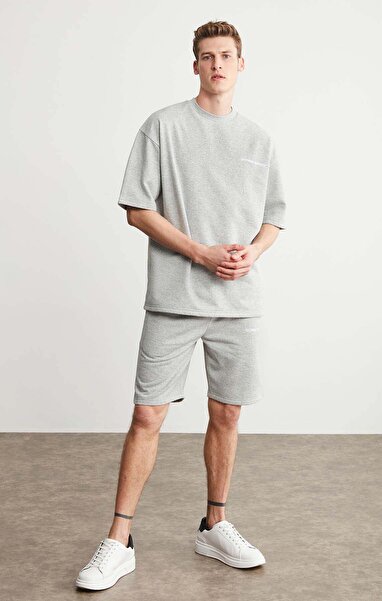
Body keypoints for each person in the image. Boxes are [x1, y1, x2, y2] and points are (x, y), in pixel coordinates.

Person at [76, 19, 286, 591]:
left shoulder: (260, 140)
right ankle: (119, 540)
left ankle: (214, 525)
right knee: (148, 415)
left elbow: (274, 216)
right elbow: (136, 207)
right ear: (195, 65)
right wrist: (199, 252)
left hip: (238, 304)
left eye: (226, 55)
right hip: (174, 300)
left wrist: (253, 253)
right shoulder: (163, 127)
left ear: (241, 64)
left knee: (228, 413)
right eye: (207, 56)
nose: (217, 64)